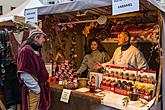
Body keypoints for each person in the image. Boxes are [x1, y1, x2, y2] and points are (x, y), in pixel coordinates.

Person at [17, 29, 50, 110]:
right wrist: (37, 89)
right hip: (33, 91)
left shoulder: (34, 51)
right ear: (36, 38)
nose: (44, 40)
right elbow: (25, 73)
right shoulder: (26, 51)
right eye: (42, 38)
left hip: (39, 89)